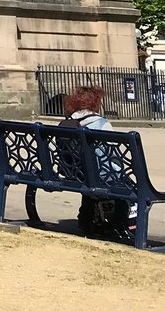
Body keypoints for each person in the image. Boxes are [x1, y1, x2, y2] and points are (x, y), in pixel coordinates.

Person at [58, 85, 136, 240]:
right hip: (98, 175)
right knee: (129, 185)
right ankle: (120, 223)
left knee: (91, 177)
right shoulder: (101, 124)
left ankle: (85, 218)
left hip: (73, 174)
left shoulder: (66, 124)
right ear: (95, 103)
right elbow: (111, 156)